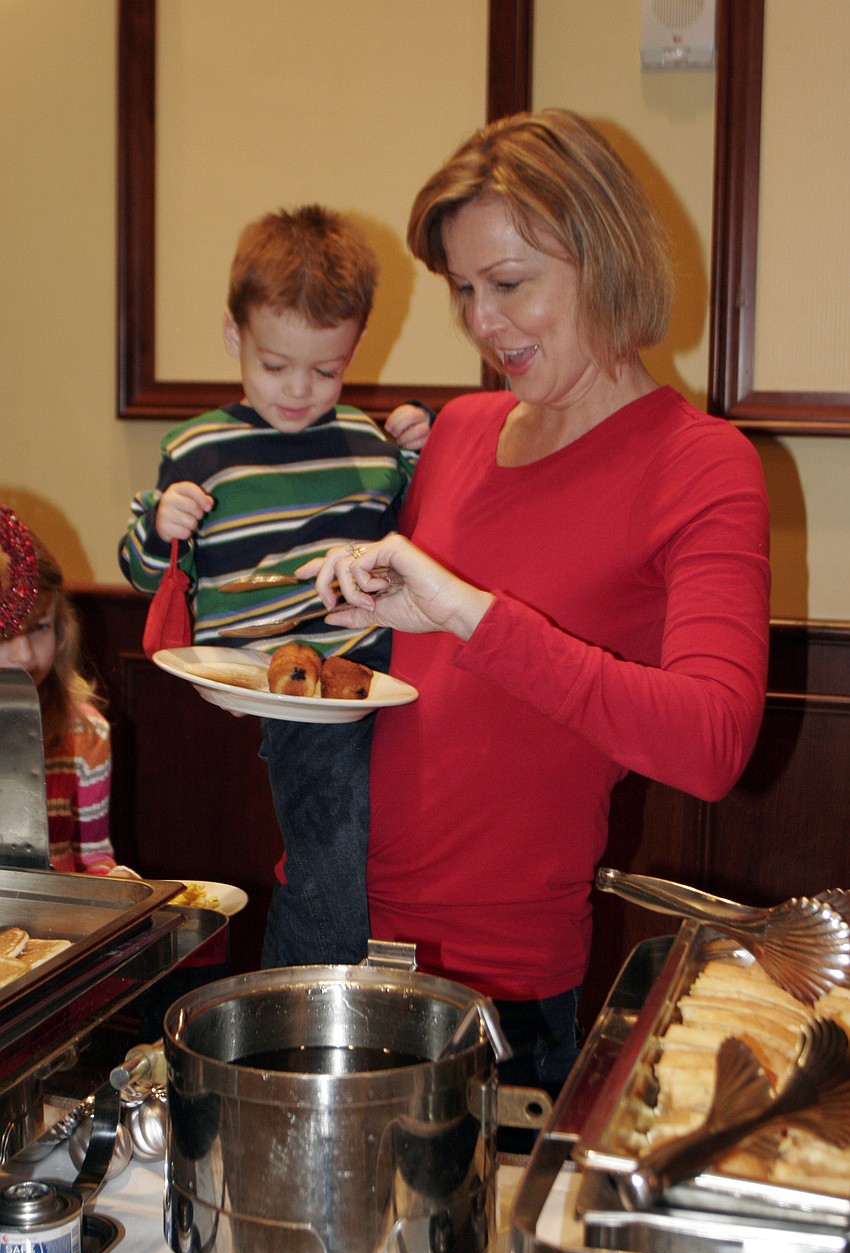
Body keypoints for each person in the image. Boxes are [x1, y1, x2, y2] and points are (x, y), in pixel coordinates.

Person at [300, 109, 771, 1098]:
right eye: (464, 290)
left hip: (499, 981)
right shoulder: (463, 431)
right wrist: (365, 605)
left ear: (605, 259)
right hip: (330, 918)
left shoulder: (701, 465)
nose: (482, 323)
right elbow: (436, 692)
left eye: (509, 284)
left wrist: (473, 615)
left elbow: (712, 743)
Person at [118, 205, 427, 969]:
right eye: (274, 364)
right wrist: (161, 525)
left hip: (365, 665)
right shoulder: (198, 447)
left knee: (370, 837)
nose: (297, 390)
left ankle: (322, 979)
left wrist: (422, 451)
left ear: (355, 348)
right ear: (235, 336)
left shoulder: (366, 446)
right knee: (329, 842)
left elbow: (416, 546)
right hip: (257, 676)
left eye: (325, 371)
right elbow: (148, 575)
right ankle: (315, 986)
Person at [0, 529, 117, 874]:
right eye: (5, 632)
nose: (24, 655)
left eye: (39, 628)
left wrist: (113, 880)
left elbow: (92, 858)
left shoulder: (86, 734)